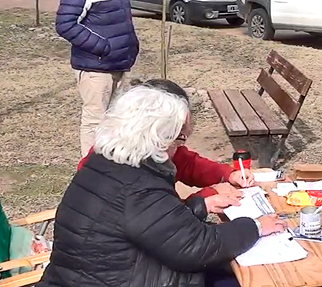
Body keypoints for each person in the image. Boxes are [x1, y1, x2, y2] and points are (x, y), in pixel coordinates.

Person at [13, 85, 284, 287]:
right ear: (157, 138)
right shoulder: (136, 185)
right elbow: (197, 246)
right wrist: (256, 226)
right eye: (178, 138)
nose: (179, 147)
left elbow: (152, 226)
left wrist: (200, 206)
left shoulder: (107, 164)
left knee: (228, 286)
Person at [76, 78, 254, 215]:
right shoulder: (130, 172)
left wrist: (228, 174)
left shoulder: (144, 145)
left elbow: (187, 163)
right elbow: (166, 223)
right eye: (176, 133)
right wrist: (207, 197)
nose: (179, 140)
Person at [56, 0, 139, 157]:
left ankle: (111, 168)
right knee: (95, 123)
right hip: (95, 68)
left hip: (120, 64)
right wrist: (103, 48)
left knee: (116, 123)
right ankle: (90, 172)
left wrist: (131, 45)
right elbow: (65, 24)